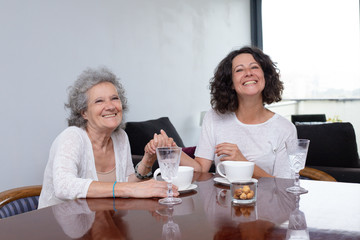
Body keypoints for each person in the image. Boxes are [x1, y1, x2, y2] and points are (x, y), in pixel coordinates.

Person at [147, 46, 297, 179]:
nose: (248, 73)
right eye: (239, 70)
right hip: (223, 205)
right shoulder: (214, 118)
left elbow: (285, 188)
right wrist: (174, 151)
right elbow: (200, 169)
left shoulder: (285, 129)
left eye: (255, 67)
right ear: (230, 83)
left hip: (267, 209)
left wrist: (243, 163)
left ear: (266, 76)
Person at [38, 67, 177, 208]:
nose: (110, 106)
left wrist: (148, 159)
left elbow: (129, 184)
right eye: (99, 101)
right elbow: (64, 186)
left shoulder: (120, 137)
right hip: (57, 225)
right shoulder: (72, 137)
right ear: (84, 113)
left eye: (114, 98)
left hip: (105, 222)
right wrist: (128, 189)